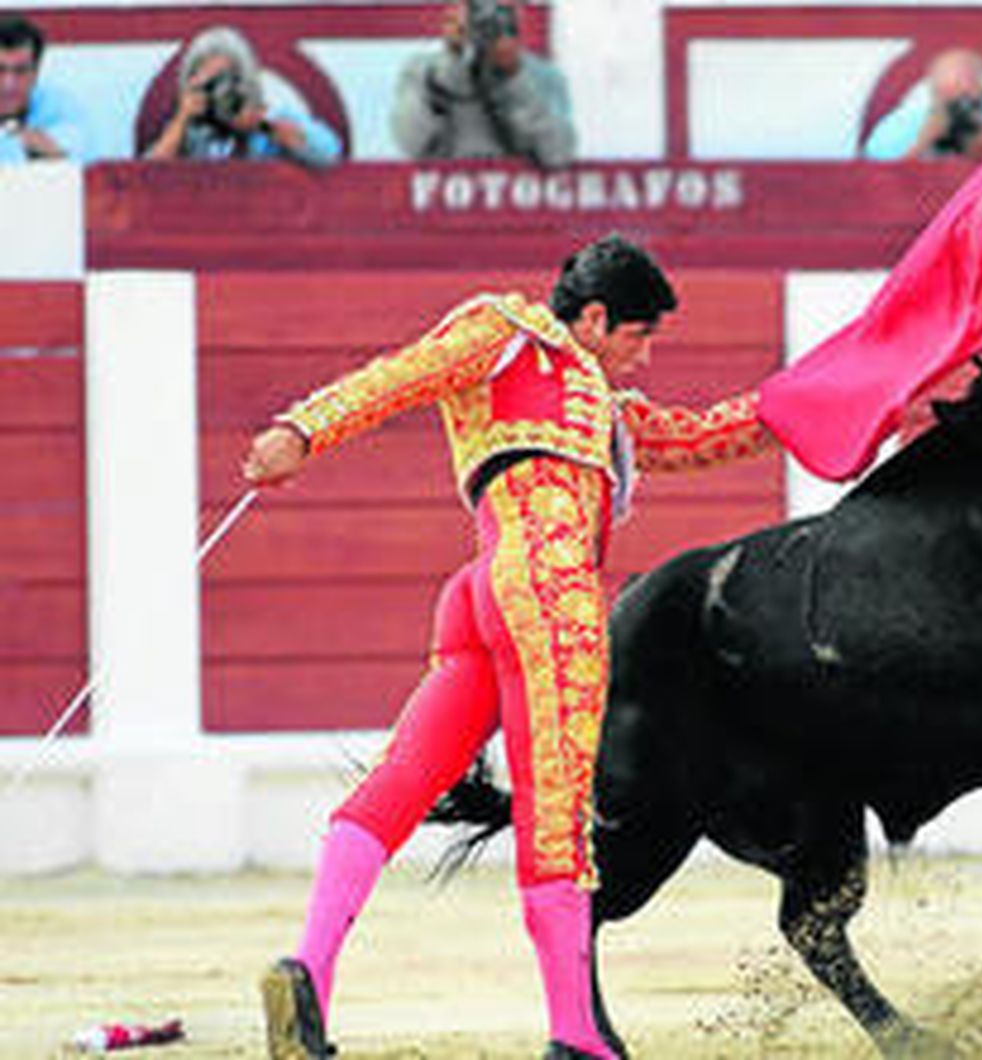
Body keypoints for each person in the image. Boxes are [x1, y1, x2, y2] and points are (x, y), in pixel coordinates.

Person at [244, 234, 775, 1060]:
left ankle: (310, 968)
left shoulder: (596, 403)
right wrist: (301, 431)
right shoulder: (506, 331)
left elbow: (707, 435)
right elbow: (402, 376)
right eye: (638, 336)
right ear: (594, 317)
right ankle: (575, 1035)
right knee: (556, 812)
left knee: (403, 781)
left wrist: (832, 400)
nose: (645, 355)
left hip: (481, 591)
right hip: (549, 585)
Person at [391, 0, 575, 165]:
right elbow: (410, 142)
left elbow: (558, 153)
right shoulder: (422, 71)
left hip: (515, 197)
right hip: (441, 197)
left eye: (500, 9)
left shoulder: (543, 75)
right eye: (476, 8)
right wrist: (451, 63)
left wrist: (516, 78)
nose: (487, 19)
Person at [144, 26, 341, 167]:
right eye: (210, 84)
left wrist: (262, 126)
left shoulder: (270, 120)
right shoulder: (190, 133)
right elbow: (146, 175)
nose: (219, 92)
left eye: (227, 80)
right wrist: (182, 119)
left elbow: (328, 152)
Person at [862, 48, 982, 162]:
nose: (957, 108)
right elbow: (875, 173)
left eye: (966, 97)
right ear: (933, 90)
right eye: (946, 95)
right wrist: (923, 142)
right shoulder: (900, 124)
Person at [0, 14, 92, 163]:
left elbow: (76, 153)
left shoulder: (61, 107)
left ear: (36, 73)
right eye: (0, 70)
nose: (8, 84)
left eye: (20, 71)